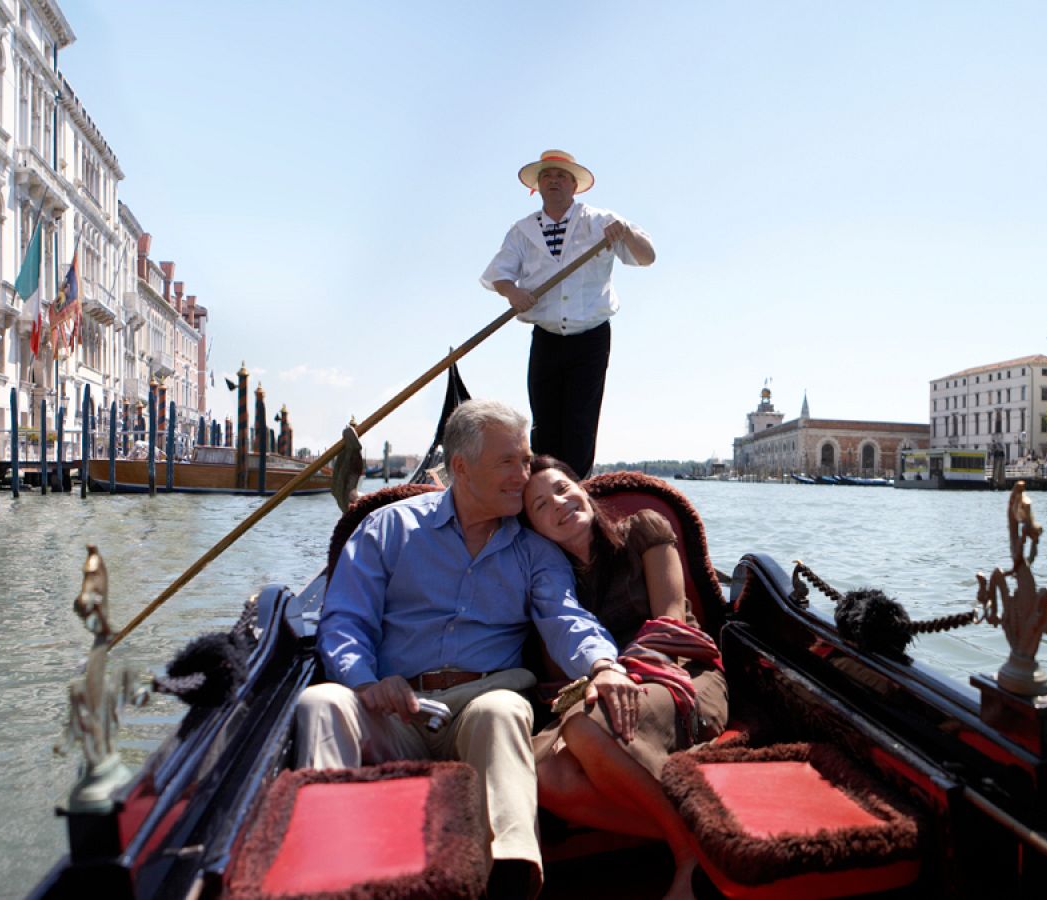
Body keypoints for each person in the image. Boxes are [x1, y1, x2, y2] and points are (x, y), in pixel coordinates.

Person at [294, 400, 633, 898]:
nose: (524, 474)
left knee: (503, 710)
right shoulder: (389, 529)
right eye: (509, 462)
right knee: (320, 701)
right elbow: (344, 620)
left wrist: (604, 664)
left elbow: (565, 618)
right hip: (389, 710)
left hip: (474, 710)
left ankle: (513, 874)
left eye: (525, 459)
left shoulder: (535, 552)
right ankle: (326, 867)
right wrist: (365, 682)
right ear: (460, 467)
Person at [521, 456, 728, 900]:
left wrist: (616, 676)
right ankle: (700, 842)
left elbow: (673, 622)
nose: (557, 504)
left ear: (584, 491)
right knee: (542, 772)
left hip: (681, 673)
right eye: (539, 506)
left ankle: (689, 859)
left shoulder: (643, 529)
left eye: (561, 489)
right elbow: (560, 674)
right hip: (603, 691)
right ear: (534, 529)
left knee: (583, 726)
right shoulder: (549, 581)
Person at [482, 150, 655, 479]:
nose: (554, 181)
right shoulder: (522, 231)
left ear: (575, 185)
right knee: (544, 424)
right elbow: (499, 275)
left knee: (579, 423)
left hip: (591, 336)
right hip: (546, 338)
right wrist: (513, 292)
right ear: (538, 186)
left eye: (562, 176)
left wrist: (627, 233)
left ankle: (575, 491)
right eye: (547, 176)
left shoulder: (602, 222)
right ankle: (543, 492)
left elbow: (647, 257)